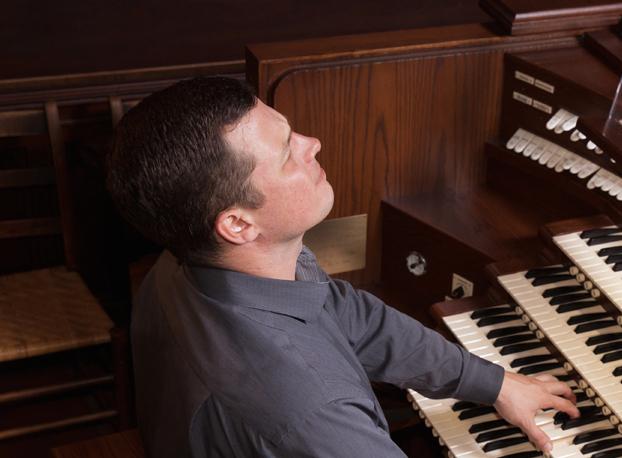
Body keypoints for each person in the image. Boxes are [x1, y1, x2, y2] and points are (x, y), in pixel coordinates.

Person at [106, 76, 579, 458]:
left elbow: (354, 316)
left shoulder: (187, 260)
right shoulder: (312, 412)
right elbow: (307, 410)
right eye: (289, 150)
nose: (314, 143)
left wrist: (492, 382)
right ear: (237, 223)